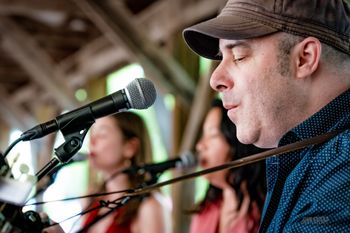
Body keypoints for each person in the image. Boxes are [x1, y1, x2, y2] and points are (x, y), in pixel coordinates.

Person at [183, 0, 350, 232]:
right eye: (222, 58)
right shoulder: (308, 154)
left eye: (239, 56)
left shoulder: (342, 165)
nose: (215, 79)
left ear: (304, 58)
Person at [43, 112, 171, 233]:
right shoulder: (91, 198)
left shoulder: (149, 206)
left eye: (102, 135)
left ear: (130, 147)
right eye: (92, 135)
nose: (91, 142)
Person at [190, 99, 265, 233]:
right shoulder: (206, 208)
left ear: (237, 142)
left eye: (212, 135)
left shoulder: (267, 208)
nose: (200, 145)